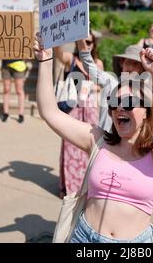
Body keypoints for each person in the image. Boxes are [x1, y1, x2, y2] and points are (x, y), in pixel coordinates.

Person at [35, 36, 153, 243]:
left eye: (129, 103)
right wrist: (44, 61)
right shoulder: (98, 140)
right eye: (114, 102)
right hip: (83, 237)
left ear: (147, 112)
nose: (120, 108)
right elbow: (50, 113)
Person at [53, 31, 103, 197]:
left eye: (90, 42)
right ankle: (70, 187)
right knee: (71, 147)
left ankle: (89, 185)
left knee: (92, 146)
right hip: (72, 108)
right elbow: (58, 53)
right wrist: (58, 34)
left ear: (94, 45)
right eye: (84, 41)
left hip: (90, 108)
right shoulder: (71, 59)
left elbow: (102, 85)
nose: (87, 45)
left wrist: (88, 87)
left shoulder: (98, 63)